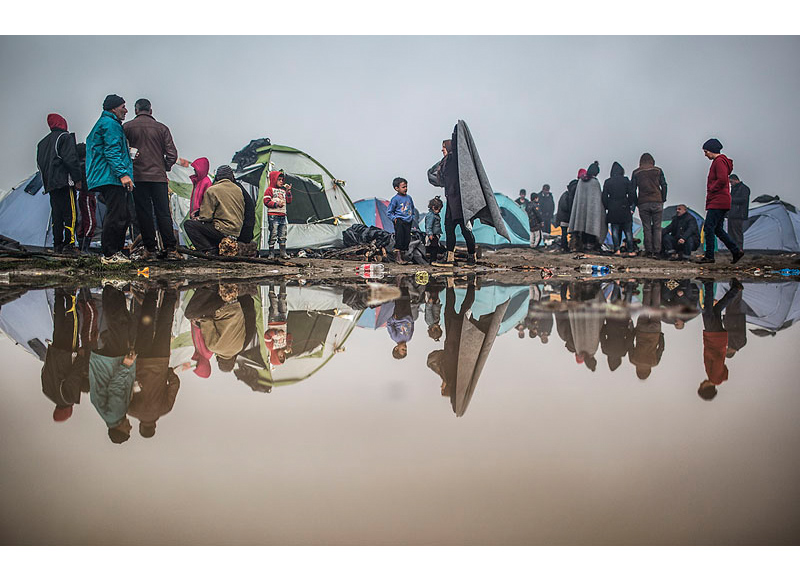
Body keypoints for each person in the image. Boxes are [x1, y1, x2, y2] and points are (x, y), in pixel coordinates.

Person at [122, 98, 180, 261]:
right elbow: (172, 154)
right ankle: (171, 250)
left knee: (144, 213)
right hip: (158, 178)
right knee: (163, 213)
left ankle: (151, 250)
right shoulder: (161, 128)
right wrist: (164, 167)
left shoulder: (127, 128)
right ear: (151, 111)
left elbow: (122, 150)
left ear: (136, 110)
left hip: (138, 177)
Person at [86, 94, 135, 264]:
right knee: (117, 214)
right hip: (111, 177)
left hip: (109, 175)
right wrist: (123, 174)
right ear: (114, 108)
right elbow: (111, 151)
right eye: (123, 107)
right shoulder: (110, 124)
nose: (126, 110)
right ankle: (110, 253)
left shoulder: (107, 123)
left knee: (122, 214)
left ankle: (115, 251)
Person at [128, 287, 179, 439]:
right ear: (141, 425)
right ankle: (151, 292)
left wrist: (167, 371)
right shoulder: (132, 410)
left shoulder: (165, 408)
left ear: (154, 426)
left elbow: (175, 384)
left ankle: (170, 291)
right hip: (141, 361)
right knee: (145, 326)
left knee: (165, 326)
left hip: (160, 360)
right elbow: (126, 387)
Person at [90, 284, 137, 444]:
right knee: (123, 325)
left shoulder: (115, 414)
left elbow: (115, 387)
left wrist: (126, 365)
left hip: (113, 361)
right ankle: (116, 289)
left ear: (120, 429)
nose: (130, 427)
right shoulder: (109, 415)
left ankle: (110, 287)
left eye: (127, 431)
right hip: (107, 362)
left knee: (119, 324)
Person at [36, 113, 82, 255]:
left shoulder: (42, 143)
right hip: (65, 182)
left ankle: (57, 244)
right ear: (62, 123)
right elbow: (70, 159)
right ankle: (70, 244)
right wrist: (77, 179)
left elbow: (40, 165)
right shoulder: (64, 137)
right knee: (70, 213)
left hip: (51, 184)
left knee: (57, 214)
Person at [698, 138, 744, 264]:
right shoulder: (721, 162)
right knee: (717, 229)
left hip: (718, 200)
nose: (705, 154)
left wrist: (712, 188)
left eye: (706, 151)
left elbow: (722, 179)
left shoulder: (719, 162)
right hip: (722, 200)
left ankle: (709, 256)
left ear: (711, 150)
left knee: (708, 227)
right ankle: (736, 251)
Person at [698, 279, 743, 400]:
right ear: (705, 388)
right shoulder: (714, 378)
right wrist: (710, 352)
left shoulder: (716, 378)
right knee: (707, 309)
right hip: (713, 338)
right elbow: (717, 360)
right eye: (701, 386)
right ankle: (708, 283)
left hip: (718, 339)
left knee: (716, 309)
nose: (700, 383)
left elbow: (722, 363)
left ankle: (735, 289)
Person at [184, 165, 244, 255]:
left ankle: (208, 249)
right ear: (232, 177)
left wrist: (197, 218)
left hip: (222, 229)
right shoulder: (238, 189)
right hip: (236, 231)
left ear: (217, 177)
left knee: (189, 224)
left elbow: (206, 216)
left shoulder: (213, 190)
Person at [631, 153, 668, 258]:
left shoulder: (636, 172)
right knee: (657, 227)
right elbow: (664, 185)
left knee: (646, 227)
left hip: (643, 202)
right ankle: (657, 251)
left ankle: (648, 250)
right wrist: (663, 198)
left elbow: (632, 189)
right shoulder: (658, 170)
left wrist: (636, 201)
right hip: (657, 201)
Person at [628, 281, 665, 380]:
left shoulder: (654, 363)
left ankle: (657, 286)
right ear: (637, 371)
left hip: (654, 332)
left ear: (648, 371)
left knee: (656, 307)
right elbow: (630, 344)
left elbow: (661, 348)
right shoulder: (633, 360)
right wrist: (634, 332)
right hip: (641, 331)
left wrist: (660, 335)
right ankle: (647, 286)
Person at [568, 161, 606, 252]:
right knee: (591, 228)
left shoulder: (581, 181)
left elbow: (578, 200)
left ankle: (583, 245)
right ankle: (590, 246)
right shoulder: (595, 183)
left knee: (582, 228)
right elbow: (597, 201)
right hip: (592, 214)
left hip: (581, 213)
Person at [602, 162, 637, 256]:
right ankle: (630, 251)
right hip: (624, 206)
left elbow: (604, 196)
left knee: (615, 231)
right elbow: (632, 193)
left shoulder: (608, 182)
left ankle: (617, 250)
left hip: (613, 208)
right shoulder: (625, 180)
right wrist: (629, 203)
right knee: (628, 231)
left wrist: (607, 206)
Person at [262, 170, 293, 259]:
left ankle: (283, 252)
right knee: (273, 234)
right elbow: (266, 201)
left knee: (283, 234)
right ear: (274, 179)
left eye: (282, 180)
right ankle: (271, 253)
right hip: (273, 215)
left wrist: (288, 192)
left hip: (283, 216)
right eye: (279, 179)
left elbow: (289, 201)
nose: (281, 182)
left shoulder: (283, 191)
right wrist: (276, 204)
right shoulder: (269, 190)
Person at [387, 177, 415, 265]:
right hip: (399, 221)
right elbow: (389, 212)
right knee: (399, 238)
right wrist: (394, 219)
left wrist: (412, 217)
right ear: (396, 188)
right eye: (403, 187)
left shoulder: (409, 198)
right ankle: (398, 257)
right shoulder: (395, 199)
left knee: (406, 239)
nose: (405, 189)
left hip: (408, 221)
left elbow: (412, 208)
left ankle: (403, 257)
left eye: (406, 186)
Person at [75, 143, 97, 253]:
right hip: (87, 195)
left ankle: (82, 245)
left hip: (89, 195)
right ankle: (84, 248)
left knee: (85, 220)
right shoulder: (84, 166)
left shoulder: (81, 165)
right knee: (91, 222)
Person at [263, 282, 292, 366]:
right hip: (283, 320)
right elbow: (289, 335)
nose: (282, 355)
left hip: (273, 321)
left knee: (274, 304)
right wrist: (289, 344)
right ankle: (283, 283)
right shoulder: (283, 344)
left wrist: (276, 333)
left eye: (280, 357)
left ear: (275, 356)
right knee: (283, 302)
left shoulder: (271, 347)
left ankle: (271, 283)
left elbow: (267, 335)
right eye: (283, 356)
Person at [388, 286, 414, 359]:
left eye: (403, 349)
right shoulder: (409, 338)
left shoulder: (395, 337)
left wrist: (395, 319)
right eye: (406, 350)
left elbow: (389, 324)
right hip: (408, 315)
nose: (405, 348)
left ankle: (399, 283)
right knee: (406, 298)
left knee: (399, 298)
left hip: (399, 316)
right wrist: (411, 319)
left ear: (396, 348)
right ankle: (405, 285)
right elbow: (412, 326)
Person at [556, 174, 580, 252]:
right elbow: (566, 207)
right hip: (566, 218)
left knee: (564, 233)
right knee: (569, 233)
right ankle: (570, 247)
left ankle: (565, 247)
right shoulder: (569, 196)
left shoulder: (564, 195)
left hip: (563, 218)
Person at [728, 174, 751, 252]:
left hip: (738, 215)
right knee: (731, 233)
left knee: (737, 233)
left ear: (735, 180)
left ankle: (739, 249)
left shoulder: (744, 189)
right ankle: (734, 249)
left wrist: (730, 199)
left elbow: (743, 200)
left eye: (731, 182)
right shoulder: (734, 189)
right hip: (731, 214)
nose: (730, 183)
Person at [425, 196, 444, 263]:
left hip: (436, 234)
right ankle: (432, 260)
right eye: (437, 209)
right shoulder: (431, 215)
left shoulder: (435, 215)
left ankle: (433, 259)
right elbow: (428, 226)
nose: (438, 211)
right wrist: (430, 234)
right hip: (433, 234)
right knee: (434, 248)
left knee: (435, 247)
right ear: (433, 207)